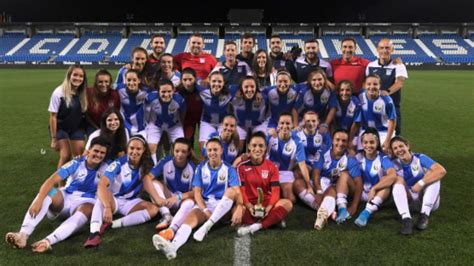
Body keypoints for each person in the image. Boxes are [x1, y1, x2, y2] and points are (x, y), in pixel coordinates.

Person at [5, 137, 109, 252]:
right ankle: (23, 235)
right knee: (50, 191)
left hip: (84, 203)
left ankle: (47, 241)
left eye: (102, 153)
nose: (98, 155)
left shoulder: (107, 168)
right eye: (96, 151)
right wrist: (39, 199)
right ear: (89, 150)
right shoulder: (76, 163)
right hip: (65, 199)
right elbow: (51, 181)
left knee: (89, 209)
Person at [152, 138, 240, 260]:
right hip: (205, 204)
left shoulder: (229, 169)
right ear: (206, 151)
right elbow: (197, 193)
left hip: (222, 207)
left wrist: (240, 207)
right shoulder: (200, 168)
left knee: (231, 191)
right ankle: (173, 247)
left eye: (215, 149)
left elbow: (237, 191)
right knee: (189, 221)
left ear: (221, 151)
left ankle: (207, 226)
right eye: (209, 150)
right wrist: (204, 210)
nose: (212, 152)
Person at [83, 135, 158, 248]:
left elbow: (149, 182)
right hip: (114, 199)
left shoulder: (147, 164)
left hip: (131, 201)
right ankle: (94, 234)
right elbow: (102, 184)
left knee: (153, 210)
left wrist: (159, 200)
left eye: (138, 149)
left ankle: (113, 224)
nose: (134, 152)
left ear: (143, 150)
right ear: (127, 149)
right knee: (101, 198)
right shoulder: (118, 163)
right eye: (131, 148)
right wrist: (107, 207)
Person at [234, 131, 293, 236]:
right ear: (249, 147)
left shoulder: (272, 167)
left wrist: (269, 207)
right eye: (254, 145)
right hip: (248, 204)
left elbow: (275, 191)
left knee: (287, 203)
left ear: (265, 148)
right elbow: (241, 190)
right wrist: (249, 206)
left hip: (266, 203)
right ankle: (273, 220)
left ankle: (257, 226)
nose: (257, 149)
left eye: (261, 146)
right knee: (235, 211)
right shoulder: (241, 167)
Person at [389, 136, 447, 234]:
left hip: (425, 199)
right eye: (395, 148)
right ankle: (406, 219)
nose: (399, 150)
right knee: (397, 183)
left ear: (407, 146)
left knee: (435, 178)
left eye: (401, 146)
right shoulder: (393, 163)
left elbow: (441, 170)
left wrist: (421, 183)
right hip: (409, 201)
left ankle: (424, 215)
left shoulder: (420, 158)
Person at [144, 138, 196, 239]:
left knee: (190, 202)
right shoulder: (165, 161)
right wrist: (158, 198)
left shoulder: (193, 167)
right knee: (153, 184)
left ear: (189, 152)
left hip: (182, 200)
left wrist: (178, 197)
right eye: (177, 151)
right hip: (166, 198)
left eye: (183, 151)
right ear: (173, 150)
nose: (179, 154)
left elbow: (195, 192)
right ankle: (166, 216)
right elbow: (147, 178)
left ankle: (172, 228)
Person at [313, 129, 362, 230]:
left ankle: (341, 208)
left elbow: (359, 183)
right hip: (326, 183)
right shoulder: (323, 152)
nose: (340, 143)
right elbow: (316, 173)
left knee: (344, 174)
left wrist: (354, 206)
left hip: (345, 187)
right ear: (332, 140)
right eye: (337, 140)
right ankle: (326, 213)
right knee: (329, 189)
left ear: (348, 143)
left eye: (344, 141)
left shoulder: (350, 158)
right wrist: (318, 190)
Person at [353, 128, 397, 227]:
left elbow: (392, 175)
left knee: (387, 182)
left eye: (372, 142)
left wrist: (374, 188)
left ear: (377, 143)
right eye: (365, 142)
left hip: (377, 194)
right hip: (360, 192)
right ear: (362, 143)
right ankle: (341, 206)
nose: (368, 145)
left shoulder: (383, 157)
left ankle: (366, 212)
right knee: (345, 175)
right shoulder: (358, 156)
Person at [48, 64, 88, 168]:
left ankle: (75, 181)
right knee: (65, 155)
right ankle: (60, 184)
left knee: (79, 156)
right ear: (69, 75)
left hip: (76, 128)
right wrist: (53, 138)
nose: (78, 78)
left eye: (81, 76)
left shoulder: (83, 93)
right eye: (75, 75)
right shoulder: (58, 93)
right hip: (60, 128)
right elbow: (53, 116)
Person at [366, 38, 408, 135]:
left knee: (394, 136)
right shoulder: (370, 65)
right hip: (373, 106)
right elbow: (367, 83)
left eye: (387, 48)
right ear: (377, 49)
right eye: (382, 48)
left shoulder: (399, 66)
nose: (384, 50)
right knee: (373, 134)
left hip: (392, 106)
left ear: (392, 50)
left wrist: (387, 92)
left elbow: (399, 83)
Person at [267, 112, 311, 203]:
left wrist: (309, 185)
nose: (285, 126)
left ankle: (280, 192)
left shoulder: (297, 142)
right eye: (282, 123)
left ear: (292, 125)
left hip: (285, 172)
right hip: (269, 171)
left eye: (288, 123)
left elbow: (302, 165)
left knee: (291, 199)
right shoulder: (270, 137)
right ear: (278, 125)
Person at [293, 111, 331, 210]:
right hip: (304, 166)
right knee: (298, 174)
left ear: (318, 122)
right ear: (303, 122)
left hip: (319, 167)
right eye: (308, 121)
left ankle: (321, 197)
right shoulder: (296, 134)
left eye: (314, 121)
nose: (311, 124)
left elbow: (329, 151)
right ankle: (316, 203)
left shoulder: (324, 134)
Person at [146, 79, 185, 164]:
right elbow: (146, 112)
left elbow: (183, 114)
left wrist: (180, 125)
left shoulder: (179, 100)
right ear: (158, 92)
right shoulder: (150, 98)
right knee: (151, 147)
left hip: (174, 125)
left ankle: (173, 166)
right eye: (163, 92)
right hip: (156, 124)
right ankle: (154, 168)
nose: (166, 94)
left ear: (173, 90)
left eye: (169, 91)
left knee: (180, 147)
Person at [356, 74, 397, 152]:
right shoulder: (360, 96)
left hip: (383, 131)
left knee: (385, 152)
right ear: (364, 85)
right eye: (369, 84)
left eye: (375, 84)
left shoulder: (387, 100)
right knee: (359, 153)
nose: (371, 87)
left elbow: (393, 121)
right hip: (365, 131)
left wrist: (387, 140)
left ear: (380, 86)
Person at [198, 72, 237, 149]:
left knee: (222, 146)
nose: (216, 84)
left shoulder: (229, 91)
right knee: (204, 148)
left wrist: (257, 93)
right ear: (209, 81)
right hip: (207, 122)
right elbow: (192, 77)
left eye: (219, 81)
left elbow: (244, 84)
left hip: (222, 123)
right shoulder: (202, 90)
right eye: (214, 81)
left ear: (223, 83)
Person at [231, 76, 267, 150]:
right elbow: (224, 87)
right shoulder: (234, 93)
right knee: (237, 148)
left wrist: (259, 92)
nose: (250, 90)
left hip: (258, 124)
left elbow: (271, 89)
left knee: (261, 143)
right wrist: (237, 90)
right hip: (241, 124)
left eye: (252, 87)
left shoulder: (263, 96)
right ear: (241, 88)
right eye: (246, 87)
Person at [263, 70, 300, 135]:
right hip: (273, 122)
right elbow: (257, 93)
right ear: (275, 82)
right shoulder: (268, 91)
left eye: (285, 81)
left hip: (289, 123)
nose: (282, 85)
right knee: (270, 137)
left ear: (290, 82)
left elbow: (307, 84)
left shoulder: (295, 89)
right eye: (280, 81)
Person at [85, 69, 120, 136]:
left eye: (106, 81)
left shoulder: (115, 94)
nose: (104, 84)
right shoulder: (88, 93)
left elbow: (117, 112)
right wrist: (97, 128)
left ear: (110, 82)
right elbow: (87, 115)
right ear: (96, 83)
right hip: (93, 126)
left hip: (110, 125)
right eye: (100, 82)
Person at [175, 68, 203, 148]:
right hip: (187, 120)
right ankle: (189, 159)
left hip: (202, 119)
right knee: (187, 142)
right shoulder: (177, 92)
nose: (187, 82)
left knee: (205, 141)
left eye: (190, 79)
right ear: (181, 80)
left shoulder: (201, 90)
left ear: (195, 79)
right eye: (185, 79)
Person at [118, 69, 148, 136]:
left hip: (141, 125)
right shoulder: (118, 89)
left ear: (139, 80)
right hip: (125, 124)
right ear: (125, 81)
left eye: (134, 80)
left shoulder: (145, 92)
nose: (131, 83)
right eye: (128, 80)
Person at [334, 80, 362, 148]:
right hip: (336, 131)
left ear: (352, 91)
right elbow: (332, 123)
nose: (344, 93)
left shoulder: (356, 103)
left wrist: (349, 140)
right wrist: (334, 137)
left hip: (352, 133)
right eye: (342, 90)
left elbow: (356, 123)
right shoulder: (334, 101)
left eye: (348, 90)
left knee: (352, 149)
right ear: (338, 91)